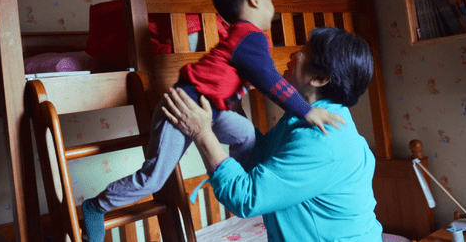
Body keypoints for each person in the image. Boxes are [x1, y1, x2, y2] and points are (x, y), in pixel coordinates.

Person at [81, 0, 344, 241]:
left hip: (211, 110)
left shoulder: (246, 37)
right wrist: (307, 110)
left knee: (247, 134)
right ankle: (95, 207)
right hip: (183, 106)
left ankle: (246, 181)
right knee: (154, 178)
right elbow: (271, 82)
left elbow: (237, 83)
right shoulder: (250, 38)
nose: (273, 9)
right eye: (270, 0)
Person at [162, 26, 383, 242]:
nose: (293, 54)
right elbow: (263, 160)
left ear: (320, 78)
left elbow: (246, 198)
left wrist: (201, 133)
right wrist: (228, 102)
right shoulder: (302, 118)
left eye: (303, 53)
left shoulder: (321, 140)